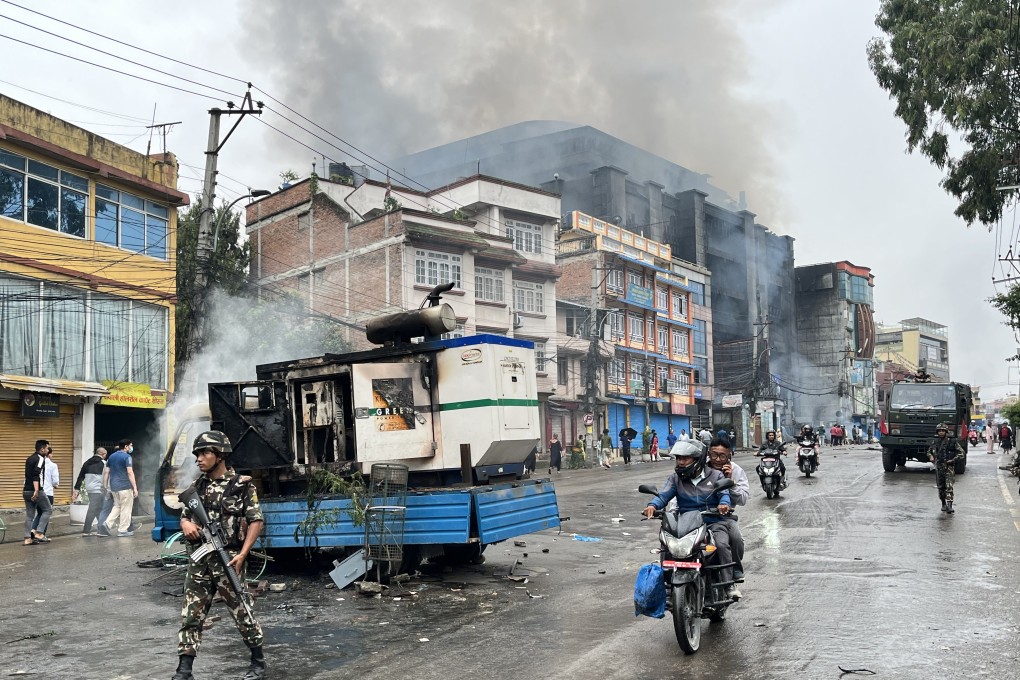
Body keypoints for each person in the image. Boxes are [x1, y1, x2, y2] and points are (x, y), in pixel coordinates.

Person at [172, 431, 266, 680]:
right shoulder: (197, 488)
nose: (199, 459)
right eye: (197, 454)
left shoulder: (241, 485)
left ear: (220, 455)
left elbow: (256, 520)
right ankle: (184, 670)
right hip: (200, 560)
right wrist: (185, 524)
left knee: (242, 609)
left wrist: (243, 554)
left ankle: (258, 661)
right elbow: (185, 515)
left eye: (204, 453)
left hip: (229, 559)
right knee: (191, 614)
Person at [642, 440, 740, 600]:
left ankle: (728, 584)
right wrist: (653, 506)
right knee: (666, 544)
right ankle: (666, 584)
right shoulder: (675, 479)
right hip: (686, 523)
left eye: (685, 458)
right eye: (678, 458)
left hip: (712, 521)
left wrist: (723, 504)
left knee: (721, 545)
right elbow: (663, 495)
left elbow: (724, 495)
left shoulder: (716, 475)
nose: (680, 462)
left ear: (698, 459)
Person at [705, 437, 748, 583]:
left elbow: (742, 499)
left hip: (724, 517)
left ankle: (734, 567)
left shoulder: (736, 470)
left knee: (734, 538)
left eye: (722, 455)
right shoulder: (699, 468)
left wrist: (731, 483)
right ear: (708, 454)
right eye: (714, 454)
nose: (717, 459)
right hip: (698, 514)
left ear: (729, 455)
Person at [103, 438, 138, 537]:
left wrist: (105, 486)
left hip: (114, 487)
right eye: (130, 445)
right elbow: (130, 472)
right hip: (125, 486)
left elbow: (107, 472)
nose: (131, 447)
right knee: (126, 508)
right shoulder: (127, 457)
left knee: (117, 506)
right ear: (126, 446)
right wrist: (135, 487)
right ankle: (123, 530)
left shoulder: (111, 457)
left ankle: (107, 523)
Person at [928, 422, 963, 514]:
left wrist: (953, 460)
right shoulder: (935, 442)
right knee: (941, 487)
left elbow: (961, 453)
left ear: (946, 431)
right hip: (939, 467)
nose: (941, 432)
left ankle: (950, 505)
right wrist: (931, 456)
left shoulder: (952, 442)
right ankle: (943, 503)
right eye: (939, 431)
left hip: (949, 467)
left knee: (949, 486)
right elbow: (929, 451)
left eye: (943, 431)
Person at [73, 447, 108, 536]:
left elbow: (80, 477)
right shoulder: (103, 463)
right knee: (93, 509)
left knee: (97, 509)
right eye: (105, 455)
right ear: (103, 454)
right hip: (99, 489)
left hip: (90, 489)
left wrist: (76, 489)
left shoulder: (86, 463)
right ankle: (86, 530)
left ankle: (102, 528)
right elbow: (106, 477)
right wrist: (107, 488)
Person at [23, 440, 51, 547]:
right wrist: (36, 490)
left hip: (26, 490)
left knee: (30, 515)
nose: (48, 450)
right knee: (48, 509)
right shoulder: (40, 458)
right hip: (36, 490)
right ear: (42, 449)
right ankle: (39, 533)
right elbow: (36, 475)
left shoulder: (30, 458)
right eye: (47, 448)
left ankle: (27, 538)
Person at [32, 445, 58, 540]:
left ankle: (33, 530)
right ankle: (41, 534)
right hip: (48, 493)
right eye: (51, 454)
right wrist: (56, 485)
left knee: (40, 513)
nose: (52, 456)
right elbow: (55, 481)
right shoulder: (53, 465)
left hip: (38, 491)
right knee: (46, 513)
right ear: (48, 454)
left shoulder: (36, 463)